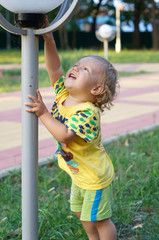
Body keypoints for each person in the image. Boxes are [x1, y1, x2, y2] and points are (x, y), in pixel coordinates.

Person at [25, 21, 118, 240]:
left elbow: (65, 135)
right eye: (77, 64)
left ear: (96, 89)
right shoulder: (63, 95)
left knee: (99, 220)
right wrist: (49, 40)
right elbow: (54, 68)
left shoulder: (87, 113)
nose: (75, 68)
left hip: (94, 177)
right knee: (81, 213)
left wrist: (43, 113)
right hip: (79, 175)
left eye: (85, 69)